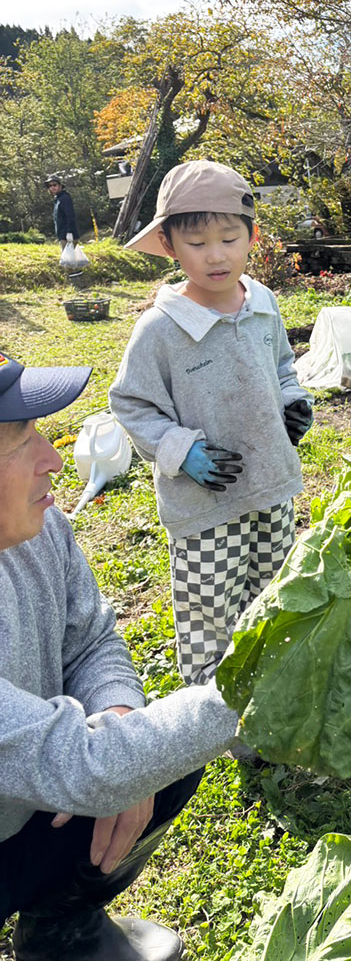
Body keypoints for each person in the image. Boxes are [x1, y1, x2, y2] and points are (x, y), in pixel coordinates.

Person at [0, 351, 240, 961]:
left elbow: (93, 640)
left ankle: (61, 931)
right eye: (21, 440)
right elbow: (85, 763)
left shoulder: (42, 529)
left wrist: (123, 721)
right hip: (46, 785)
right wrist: (262, 685)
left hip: (33, 804)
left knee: (164, 754)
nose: (53, 459)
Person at [109, 160, 314, 686]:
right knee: (210, 612)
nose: (216, 255)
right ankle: (211, 713)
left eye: (229, 238)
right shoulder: (161, 330)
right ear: (170, 246)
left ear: (252, 237)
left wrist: (292, 398)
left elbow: (282, 363)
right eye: (197, 243)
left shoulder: (263, 301)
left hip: (271, 485)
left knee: (272, 596)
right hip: (205, 507)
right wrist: (183, 452)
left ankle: (269, 692)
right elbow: (132, 403)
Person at [44, 174, 79, 249]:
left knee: (67, 259)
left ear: (60, 186)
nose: (52, 187)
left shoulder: (65, 197)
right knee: (68, 258)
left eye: (54, 185)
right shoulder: (57, 199)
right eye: (50, 186)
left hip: (68, 235)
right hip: (62, 234)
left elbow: (70, 215)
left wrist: (70, 232)